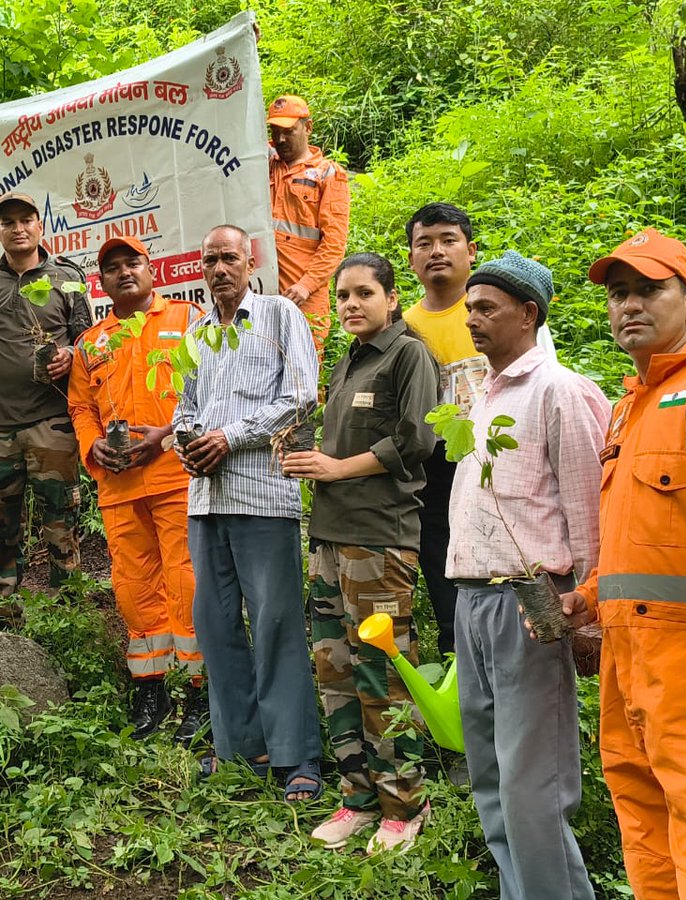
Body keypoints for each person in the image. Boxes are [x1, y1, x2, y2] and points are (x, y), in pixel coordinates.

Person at [555, 228, 686, 898]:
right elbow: (642, 539)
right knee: (641, 818)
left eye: (650, 289)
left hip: (685, 656)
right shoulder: (629, 406)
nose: (630, 305)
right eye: (619, 293)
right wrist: (588, 598)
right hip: (628, 656)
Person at [445, 251, 608, 900]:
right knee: (490, 780)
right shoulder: (477, 391)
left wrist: (591, 617)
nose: (473, 318)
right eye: (469, 309)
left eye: (486, 307)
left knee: (531, 788)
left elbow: (590, 514)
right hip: (471, 600)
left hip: (532, 604)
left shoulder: (560, 393)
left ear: (529, 313)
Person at [283, 253, 438, 852]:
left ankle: (406, 803)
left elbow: (417, 439)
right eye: (343, 295)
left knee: (381, 671)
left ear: (392, 298)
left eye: (364, 293)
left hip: (379, 537)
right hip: (329, 534)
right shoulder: (347, 359)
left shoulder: (407, 354)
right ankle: (359, 798)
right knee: (336, 670)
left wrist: (336, 467)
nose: (350, 304)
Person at [174, 224, 323, 801]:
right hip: (206, 498)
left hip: (264, 493)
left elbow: (301, 396)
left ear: (249, 259)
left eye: (229, 258)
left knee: (276, 622)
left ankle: (297, 756)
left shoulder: (281, 316)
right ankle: (241, 749)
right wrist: (190, 440)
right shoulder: (196, 330)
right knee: (215, 626)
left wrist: (230, 438)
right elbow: (186, 405)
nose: (219, 269)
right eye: (209, 259)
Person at [68, 236, 207, 742]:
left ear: (151, 270)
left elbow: (210, 387)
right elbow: (81, 407)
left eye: (133, 263)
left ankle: (199, 689)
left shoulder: (188, 320)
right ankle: (150, 685)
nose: (124, 272)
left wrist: (167, 434)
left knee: (186, 579)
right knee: (131, 586)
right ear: (100, 283)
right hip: (119, 486)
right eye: (112, 268)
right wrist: (91, 447)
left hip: (176, 476)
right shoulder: (90, 342)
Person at [403, 203, 557, 656]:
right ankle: (461, 663)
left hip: (504, 459)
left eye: (448, 240)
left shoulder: (503, 309)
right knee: (446, 569)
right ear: (410, 258)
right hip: (436, 472)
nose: (436, 251)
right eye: (423, 243)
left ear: (471, 250)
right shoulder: (405, 326)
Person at [0, 191, 92, 628]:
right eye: (8, 222)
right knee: (0, 526)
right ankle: (2, 614)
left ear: (40, 226)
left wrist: (72, 355)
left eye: (26, 220)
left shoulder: (67, 277)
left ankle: (67, 613)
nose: (18, 228)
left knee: (60, 520)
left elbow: (89, 343)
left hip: (51, 422)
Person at [267, 94, 350, 349]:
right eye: (275, 131)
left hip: (305, 296)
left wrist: (306, 285)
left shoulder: (328, 173)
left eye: (289, 131)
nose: (280, 139)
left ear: (308, 127)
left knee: (305, 371)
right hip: (263, 291)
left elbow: (334, 244)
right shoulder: (265, 162)